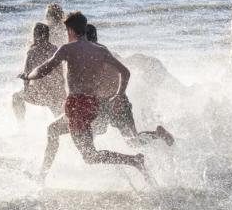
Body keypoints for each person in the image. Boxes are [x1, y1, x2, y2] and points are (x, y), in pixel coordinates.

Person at [20, 12, 151, 183]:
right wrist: (119, 95)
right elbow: (125, 72)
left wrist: (27, 76)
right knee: (54, 131)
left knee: (89, 156)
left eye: (67, 30)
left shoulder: (68, 49)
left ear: (71, 30)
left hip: (77, 106)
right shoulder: (100, 50)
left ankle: (134, 160)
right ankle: (42, 176)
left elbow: (44, 69)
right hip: (93, 105)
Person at [13, 23, 66, 121]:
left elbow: (26, 75)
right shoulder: (55, 49)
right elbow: (60, 74)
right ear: (47, 35)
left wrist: (26, 89)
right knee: (58, 118)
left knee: (16, 97)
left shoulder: (32, 52)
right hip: (55, 94)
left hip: (40, 94)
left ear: (35, 35)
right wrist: (62, 93)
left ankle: (21, 125)